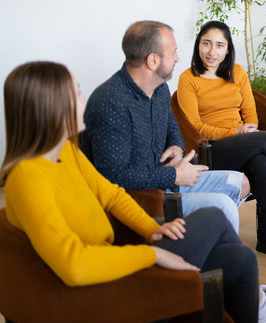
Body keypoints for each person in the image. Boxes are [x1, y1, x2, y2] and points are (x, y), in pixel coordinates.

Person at [1, 61, 266, 323]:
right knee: (214, 215)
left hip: (113, 277)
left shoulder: (66, 152)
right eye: (76, 94)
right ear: (51, 108)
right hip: (99, 310)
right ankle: (253, 307)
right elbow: (74, 265)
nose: (82, 100)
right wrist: (152, 253)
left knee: (240, 258)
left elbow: (112, 196)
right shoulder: (26, 179)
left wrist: (152, 229)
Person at [81, 21, 247, 233]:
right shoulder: (111, 102)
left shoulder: (159, 88)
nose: (178, 58)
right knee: (223, 206)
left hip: (163, 179)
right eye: (173, 52)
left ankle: (206, 240)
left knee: (239, 182)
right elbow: (113, 176)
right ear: (153, 60)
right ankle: (204, 249)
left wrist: (177, 147)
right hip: (139, 197)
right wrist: (174, 176)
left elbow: (172, 127)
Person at [176, 21, 266, 262]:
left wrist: (247, 130)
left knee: (264, 164)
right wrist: (235, 131)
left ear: (228, 49)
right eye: (206, 44)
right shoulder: (188, 79)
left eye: (219, 45)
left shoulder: (238, 73)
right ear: (198, 45)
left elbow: (251, 112)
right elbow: (194, 126)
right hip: (211, 149)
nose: (212, 52)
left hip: (242, 141)